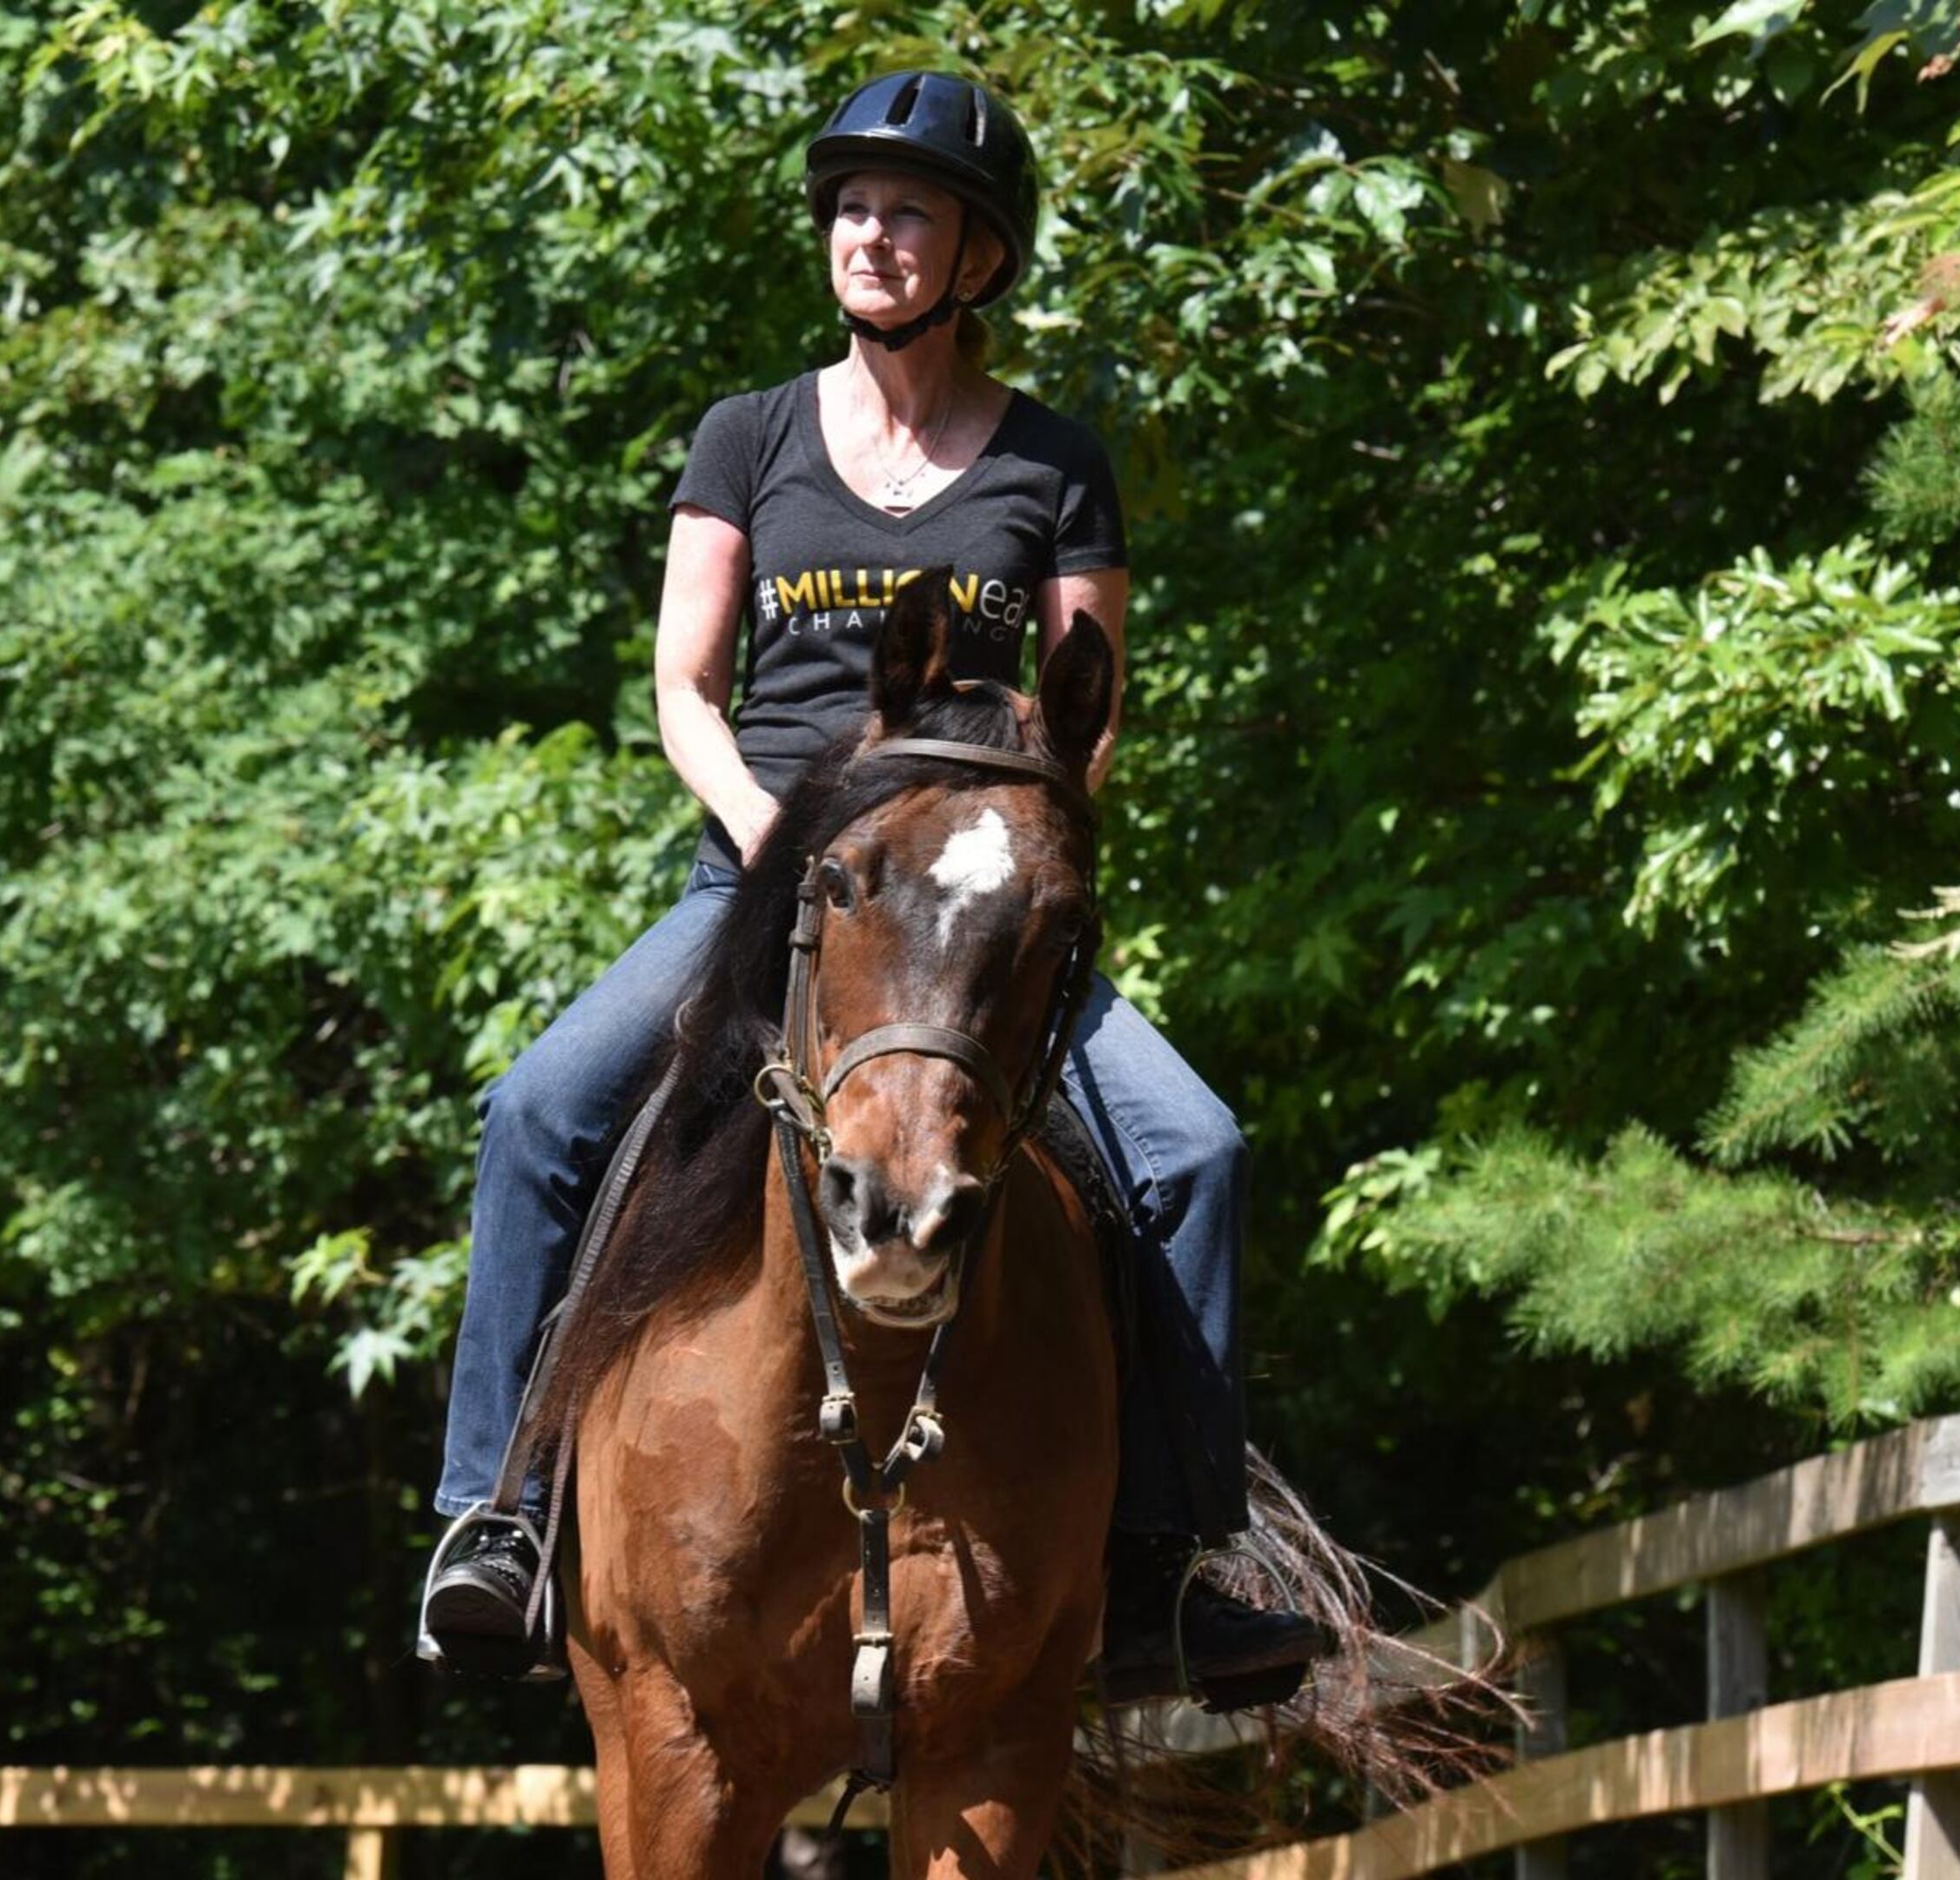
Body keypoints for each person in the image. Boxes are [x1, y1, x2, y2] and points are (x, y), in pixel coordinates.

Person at [420, 68, 1321, 1702]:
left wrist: (1005, 875)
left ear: (979, 258)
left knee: (1196, 1150)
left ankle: (1171, 1569)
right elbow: (684, 687)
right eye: (850, 208)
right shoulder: (748, 436)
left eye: (908, 213)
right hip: (761, 875)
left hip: (967, 907)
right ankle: (496, 1515)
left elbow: (1084, 714)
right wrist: (782, 844)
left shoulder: (1053, 463)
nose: (870, 236)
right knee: (537, 1112)